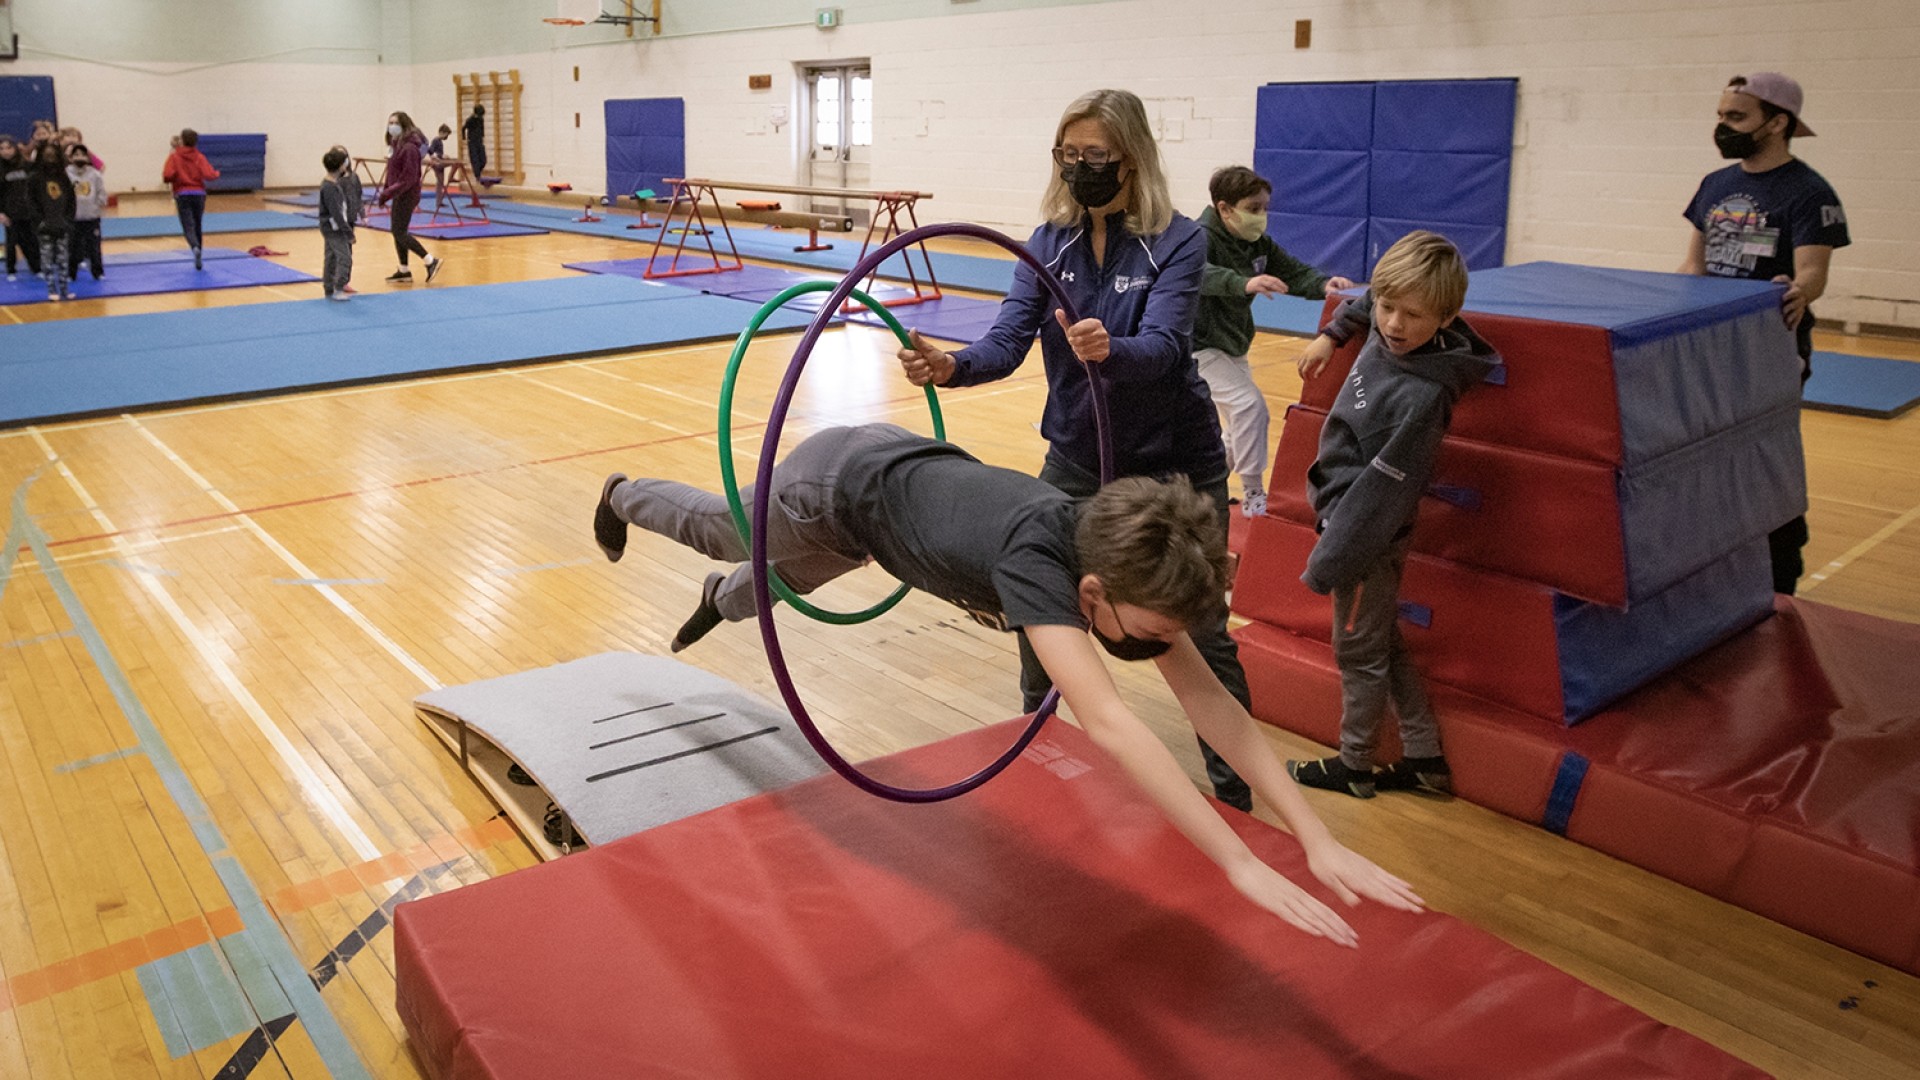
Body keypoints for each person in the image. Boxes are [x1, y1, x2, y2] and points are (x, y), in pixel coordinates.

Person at [591, 422, 1427, 943]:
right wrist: (1235, 862)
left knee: (790, 580)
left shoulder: (1121, 562)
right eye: (1152, 636)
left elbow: (1211, 701)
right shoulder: (1042, 563)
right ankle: (625, 494)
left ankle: (722, 603)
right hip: (832, 486)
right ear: (1092, 596)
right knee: (729, 535)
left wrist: (1313, 837)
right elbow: (1109, 722)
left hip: (894, 486)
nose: (1160, 651)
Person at [895, 88, 1254, 811]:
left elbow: (1163, 348)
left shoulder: (1178, 239)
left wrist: (1109, 348)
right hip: (1076, 456)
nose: (1080, 168)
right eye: (1069, 154)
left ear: (1132, 159)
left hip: (1175, 464)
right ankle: (1045, 753)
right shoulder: (1047, 241)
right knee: (1040, 607)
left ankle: (1236, 795)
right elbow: (1006, 342)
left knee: (1203, 631)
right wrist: (951, 367)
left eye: (1097, 156)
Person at [1287, 232, 1501, 799]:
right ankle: (1425, 756)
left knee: (1357, 651)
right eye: (1388, 308)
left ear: (1447, 318)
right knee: (1381, 639)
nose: (1394, 325)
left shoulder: (1422, 396)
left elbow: (1383, 494)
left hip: (1362, 538)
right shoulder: (1387, 329)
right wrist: (1333, 337)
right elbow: (1367, 300)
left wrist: (1330, 557)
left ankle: (1355, 764)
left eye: (1413, 315)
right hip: (1348, 519)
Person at [1679, 72, 1848, 596]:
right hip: (1713, 347)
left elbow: (1813, 272)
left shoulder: (1808, 190)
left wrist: (1800, 289)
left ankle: (1780, 571)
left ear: (1777, 123)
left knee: (1765, 458)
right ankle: (1711, 561)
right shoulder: (1715, 184)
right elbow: (1692, 265)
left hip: (1770, 346)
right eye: (1721, 115)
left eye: (1736, 117)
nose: (1723, 126)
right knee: (1705, 456)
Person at [1194, 165, 1355, 518]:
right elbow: (1197, 274)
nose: (1261, 217)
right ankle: (1253, 494)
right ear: (1224, 208)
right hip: (1197, 347)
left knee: (1240, 427)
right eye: (1253, 209)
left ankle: (1200, 492)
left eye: (1265, 208)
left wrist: (1324, 285)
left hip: (1232, 345)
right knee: (1250, 407)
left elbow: (1294, 271)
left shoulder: (1257, 243)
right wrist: (1243, 283)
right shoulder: (1197, 237)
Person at [375, 111, 443, 285]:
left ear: (404, 125)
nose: (391, 126)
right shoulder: (396, 144)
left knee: (399, 232)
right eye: (389, 123)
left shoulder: (410, 148)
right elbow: (391, 172)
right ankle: (404, 270)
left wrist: (387, 193)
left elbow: (409, 178)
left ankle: (429, 260)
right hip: (399, 192)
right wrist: (385, 191)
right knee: (397, 231)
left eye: (395, 123)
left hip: (408, 193)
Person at [162, 128, 219, 270]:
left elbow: (167, 175)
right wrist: (217, 173)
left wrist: (177, 177)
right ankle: (199, 251)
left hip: (183, 194)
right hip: (199, 194)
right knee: (197, 224)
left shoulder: (175, 157)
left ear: (182, 140)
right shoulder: (199, 157)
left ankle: (194, 247)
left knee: (188, 225)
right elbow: (209, 174)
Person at [30, 141, 76, 301]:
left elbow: (71, 200)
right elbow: (31, 202)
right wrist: (39, 222)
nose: (50, 157)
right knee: (47, 260)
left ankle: (64, 290)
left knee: (63, 260)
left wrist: (68, 220)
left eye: (52, 154)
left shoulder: (63, 177)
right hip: (44, 226)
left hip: (62, 224)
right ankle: (51, 290)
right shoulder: (35, 178)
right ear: (41, 156)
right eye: (46, 154)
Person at [1, 134, 43, 281]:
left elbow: (35, 187)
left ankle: (36, 267)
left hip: (28, 211)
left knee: (31, 241)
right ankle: (11, 270)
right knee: (11, 242)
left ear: (15, 148)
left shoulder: (26, 165)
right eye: (2, 149)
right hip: (10, 213)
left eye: (9, 148)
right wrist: (1, 213)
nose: (6, 151)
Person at [318, 148, 356, 301]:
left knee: (331, 257)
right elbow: (337, 213)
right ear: (341, 165)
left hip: (330, 226)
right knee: (344, 258)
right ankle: (338, 287)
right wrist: (348, 232)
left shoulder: (331, 183)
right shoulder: (330, 187)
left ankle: (328, 288)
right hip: (334, 228)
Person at [66, 142, 106, 283]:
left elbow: (101, 192)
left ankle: (98, 272)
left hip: (91, 217)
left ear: (88, 158)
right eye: (76, 155)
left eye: (83, 154)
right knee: (73, 248)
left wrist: (98, 205)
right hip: (73, 218)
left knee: (94, 247)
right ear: (70, 158)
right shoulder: (66, 173)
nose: (80, 157)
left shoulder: (94, 174)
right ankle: (71, 274)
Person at [463, 104, 488, 180]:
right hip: (472, 142)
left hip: (479, 141)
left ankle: (478, 173)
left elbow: (482, 128)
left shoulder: (481, 119)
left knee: (483, 160)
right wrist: (464, 139)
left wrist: (483, 136)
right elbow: (463, 129)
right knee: (475, 159)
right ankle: (477, 176)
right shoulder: (470, 120)